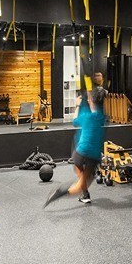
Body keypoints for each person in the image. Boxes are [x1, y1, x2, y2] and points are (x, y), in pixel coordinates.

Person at [45, 77, 107, 208]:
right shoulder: (102, 117)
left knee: (79, 182)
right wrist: (91, 94)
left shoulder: (87, 117)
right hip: (94, 156)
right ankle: (85, 194)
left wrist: (78, 105)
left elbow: (74, 121)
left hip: (81, 153)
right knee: (83, 180)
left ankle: (60, 193)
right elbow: (95, 105)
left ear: (91, 100)